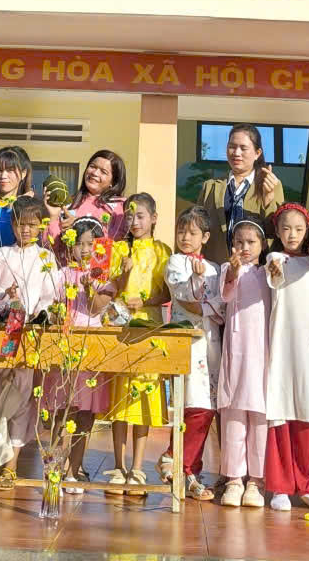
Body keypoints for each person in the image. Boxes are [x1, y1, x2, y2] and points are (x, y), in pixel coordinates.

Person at [0, 196, 61, 486]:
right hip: (2, 333)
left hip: (29, 335)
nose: (25, 230)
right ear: (12, 225)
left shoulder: (46, 258)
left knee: (22, 397)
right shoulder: (0, 255)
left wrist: (39, 313)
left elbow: (50, 295)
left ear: (41, 227)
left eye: (32, 225)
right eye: (20, 224)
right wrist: (6, 296)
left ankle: (11, 464)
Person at [41, 217, 115, 493]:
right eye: (79, 243)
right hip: (65, 344)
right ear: (69, 246)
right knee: (62, 412)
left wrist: (87, 287)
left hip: (91, 345)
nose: (84, 250)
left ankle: (73, 471)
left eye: (90, 244)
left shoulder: (103, 277)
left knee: (85, 414)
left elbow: (96, 309)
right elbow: (51, 304)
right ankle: (54, 469)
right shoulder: (60, 275)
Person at [104, 193, 171, 495]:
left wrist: (145, 300)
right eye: (130, 216)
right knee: (119, 396)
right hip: (120, 326)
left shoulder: (162, 251)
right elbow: (109, 287)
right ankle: (118, 466)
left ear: (154, 218)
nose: (135, 222)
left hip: (149, 325)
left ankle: (138, 467)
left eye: (141, 215)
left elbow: (167, 291)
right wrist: (124, 273)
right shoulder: (118, 249)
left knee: (144, 395)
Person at [263, 203, 309, 512]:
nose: (292, 234)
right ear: (277, 230)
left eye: (299, 229)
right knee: (281, 408)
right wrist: (275, 270)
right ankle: (280, 486)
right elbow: (275, 276)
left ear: (307, 230)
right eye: (286, 228)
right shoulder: (275, 259)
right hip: (283, 346)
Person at [161, 204, 223, 500]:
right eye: (181, 232)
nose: (185, 238)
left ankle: (186, 468)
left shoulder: (216, 269)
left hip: (211, 343)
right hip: (186, 340)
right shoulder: (175, 262)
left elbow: (223, 303)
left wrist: (208, 305)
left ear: (205, 237)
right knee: (193, 405)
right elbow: (184, 296)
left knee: (208, 407)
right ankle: (179, 463)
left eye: (192, 233)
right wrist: (202, 295)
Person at [218, 217, 270, 508]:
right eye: (239, 242)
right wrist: (233, 272)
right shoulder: (228, 269)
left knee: (260, 414)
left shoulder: (268, 272)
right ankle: (234, 478)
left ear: (262, 245)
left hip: (263, 351)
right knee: (234, 412)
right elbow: (226, 295)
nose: (245, 247)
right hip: (236, 350)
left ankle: (256, 481)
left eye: (251, 242)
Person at [197, 124, 284, 265]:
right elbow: (196, 229)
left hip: (254, 271)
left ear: (257, 153)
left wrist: (268, 200)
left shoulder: (271, 184)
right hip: (214, 268)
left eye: (243, 148)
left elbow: (275, 232)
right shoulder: (210, 187)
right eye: (232, 146)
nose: (236, 153)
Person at [45, 149, 127, 245]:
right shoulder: (68, 203)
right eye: (92, 166)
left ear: (113, 182)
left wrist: (79, 225)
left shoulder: (121, 207)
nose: (95, 173)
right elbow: (50, 247)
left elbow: (115, 244)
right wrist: (53, 217)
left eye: (103, 172)